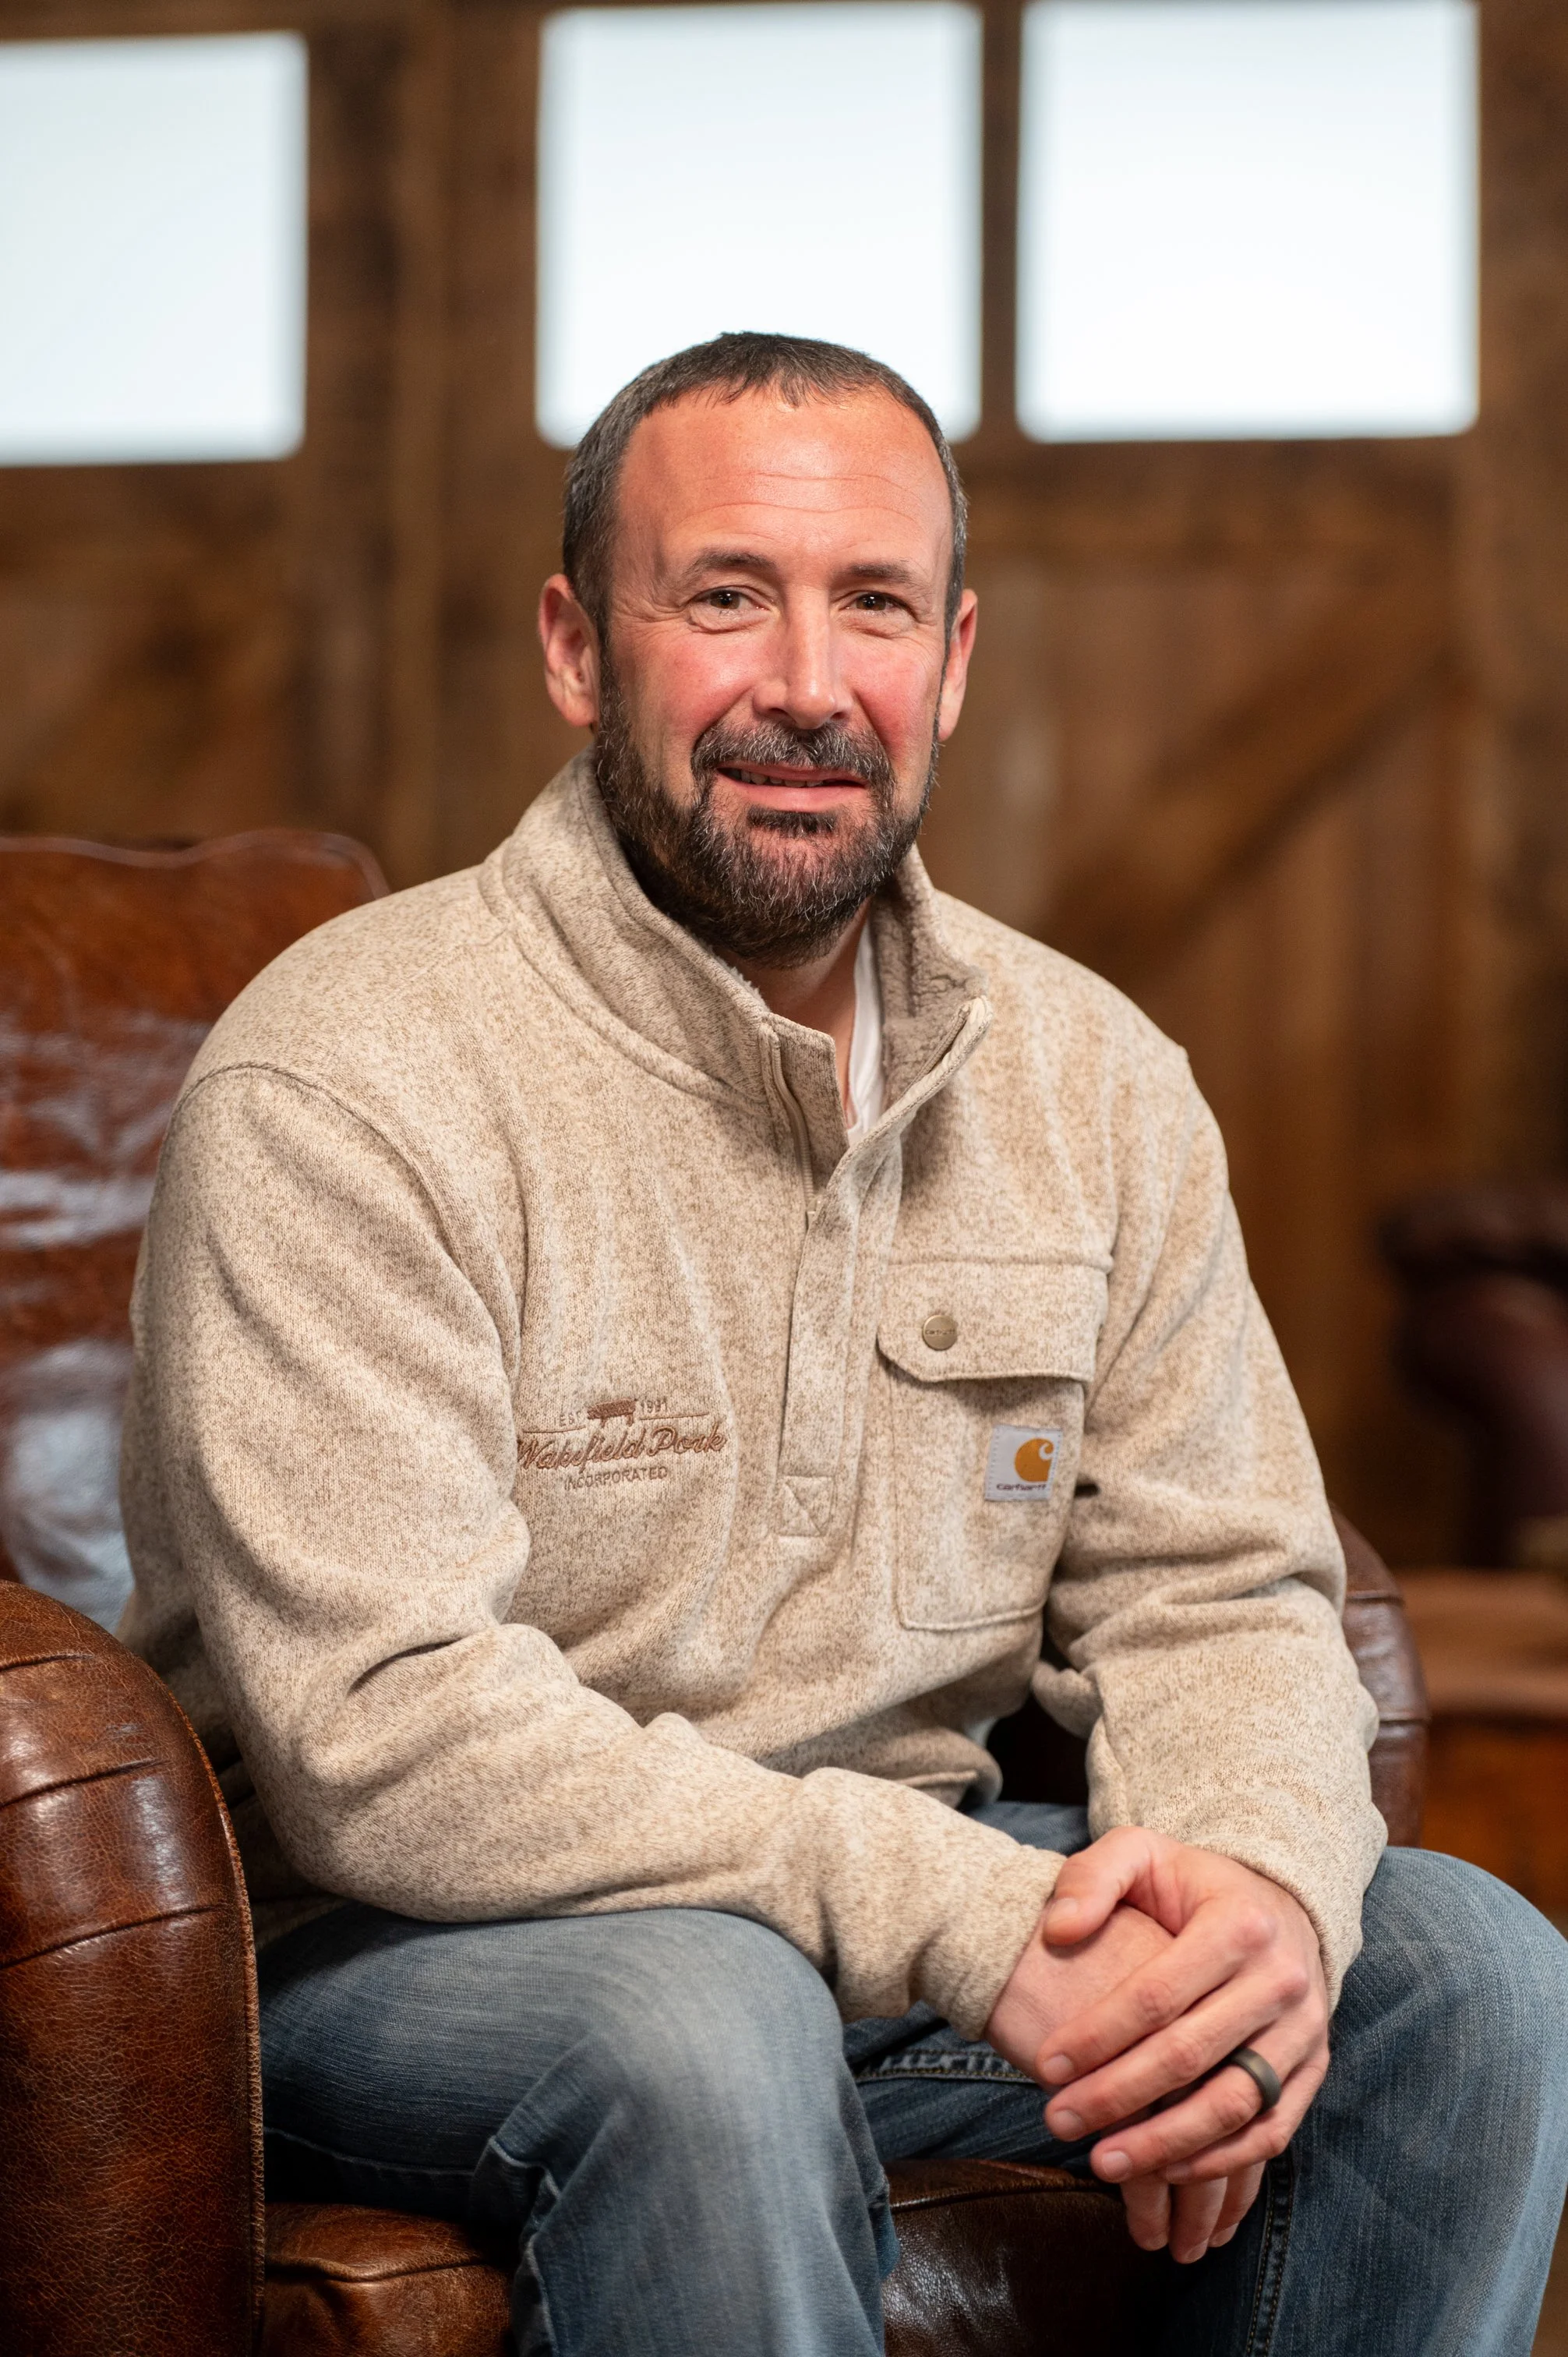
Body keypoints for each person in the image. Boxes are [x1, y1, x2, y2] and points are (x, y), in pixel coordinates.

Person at [121, 333, 1568, 2357]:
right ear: (573, 646)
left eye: (870, 603)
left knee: (1464, 1972)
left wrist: (1243, 1903)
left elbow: (1216, 1587)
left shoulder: (1092, 1077)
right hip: (411, 1949)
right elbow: (386, 1739)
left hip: (916, 1921)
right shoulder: (350, 1073)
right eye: (722, 595)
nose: (805, 680)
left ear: (951, 662)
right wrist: (981, 1925)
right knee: (699, 2018)